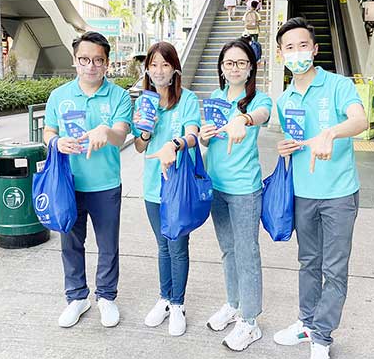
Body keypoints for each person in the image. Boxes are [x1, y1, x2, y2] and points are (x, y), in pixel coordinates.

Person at [272, 18, 368, 359]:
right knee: (308, 262)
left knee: (334, 268)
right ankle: (306, 322)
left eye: (302, 46)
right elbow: (297, 140)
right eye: (289, 48)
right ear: (281, 54)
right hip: (303, 193)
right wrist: (285, 148)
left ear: (314, 49)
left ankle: (322, 337)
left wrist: (331, 132)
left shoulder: (339, 85)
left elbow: (360, 120)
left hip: (339, 193)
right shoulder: (284, 99)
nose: (296, 53)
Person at [43, 31, 133, 329]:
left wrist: (106, 132)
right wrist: (56, 143)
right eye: (84, 59)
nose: (90, 66)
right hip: (68, 184)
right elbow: (49, 131)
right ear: (74, 61)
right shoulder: (59, 96)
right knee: (70, 243)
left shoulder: (119, 96)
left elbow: (121, 134)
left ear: (107, 63)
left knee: (108, 245)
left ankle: (106, 297)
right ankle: (76, 297)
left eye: (98, 60)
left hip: (106, 184)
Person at [199, 38, 272, 351]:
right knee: (228, 250)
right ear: (221, 67)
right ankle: (233, 303)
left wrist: (243, 118)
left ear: (251, 67)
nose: (235, 68)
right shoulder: (215, 97)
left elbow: (263, 114)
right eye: (229, 63)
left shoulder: (257, 99)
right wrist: (204, 135)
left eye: (242, 63)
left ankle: (250, 321)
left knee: (247, 253)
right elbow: (208, 141)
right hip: (217, 187)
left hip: (244, 190)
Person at [132, 41, 201, 337]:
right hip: (152, 186)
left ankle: (178, 304)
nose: (159, 71)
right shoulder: (143, 103)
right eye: (154, 65)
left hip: (179, 187)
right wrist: (146, 133)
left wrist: (175, 144)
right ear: (147, 69)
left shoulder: (188, 99)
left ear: (175, 69)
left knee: (178, 246)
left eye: (165, 65)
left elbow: (193, 135)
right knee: (162, 246)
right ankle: (164, 298)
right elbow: (139, 147)